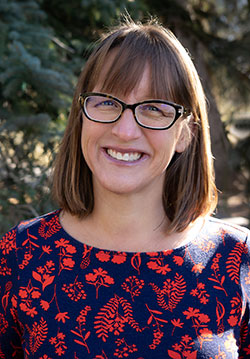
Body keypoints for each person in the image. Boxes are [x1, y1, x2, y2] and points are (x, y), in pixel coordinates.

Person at [0, 18, 249, 359]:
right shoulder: (20, 255)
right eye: (107, 102)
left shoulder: (236, 260)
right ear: (82, 114)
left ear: (186, 132)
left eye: (153, 108)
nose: (125, 130)